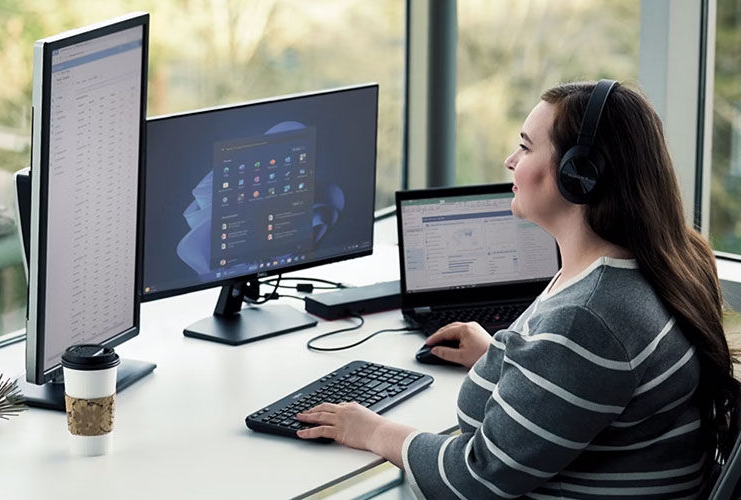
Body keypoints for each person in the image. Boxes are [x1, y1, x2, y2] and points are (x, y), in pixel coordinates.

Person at [296, 80, 739, 498]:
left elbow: (476, 480)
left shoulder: (589, 317)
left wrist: (371, 430)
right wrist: (506, 355)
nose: (510, 160)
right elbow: (583, 376)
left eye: (526, 147)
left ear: (578, 175)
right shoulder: (645, 262)